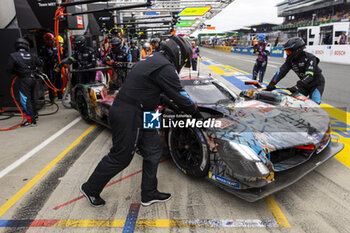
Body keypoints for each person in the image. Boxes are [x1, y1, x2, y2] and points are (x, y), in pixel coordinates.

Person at [80, 35, 202, 207]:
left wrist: (170, 105)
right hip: (131, 112)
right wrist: (195, 113)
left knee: (154, 150)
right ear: (179, 53)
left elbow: (152, 90)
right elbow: (179, 95)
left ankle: (149, 193)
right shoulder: (165, 67)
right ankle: (90, 188)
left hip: (147, 110)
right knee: (121, 157)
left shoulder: (154, 59)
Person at [266, 37, 325, 104]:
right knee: (292, 102)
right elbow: (281, 72)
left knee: (314, 104)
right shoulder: (290, 60)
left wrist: (297, 86)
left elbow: (309, 76)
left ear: (297, 50)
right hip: (304, 85)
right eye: (286, 51)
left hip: (316, 84)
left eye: (288, 51)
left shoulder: (310, 58)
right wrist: (271, 84)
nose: (287, 54)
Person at [7, 38, 42, 126]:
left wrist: (17, 72)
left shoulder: (13, 55)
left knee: (25, 100)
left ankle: (31, 120)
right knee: (33, 98)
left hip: (24, 80)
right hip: (33, 79)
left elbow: (9, 69)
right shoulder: (32, 55)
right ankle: (35, 115)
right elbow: (40, 64)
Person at [39, 33, 62, 102]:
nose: (51, 42)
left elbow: (60, 55)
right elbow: (42, 58)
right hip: (49, 68)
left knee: (59, 81)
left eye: (52, 40)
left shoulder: (56, 46)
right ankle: (52, 98)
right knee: (51, 82)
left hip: (57, 66)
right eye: (50, 41)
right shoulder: (44, 49)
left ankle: (60, 96)